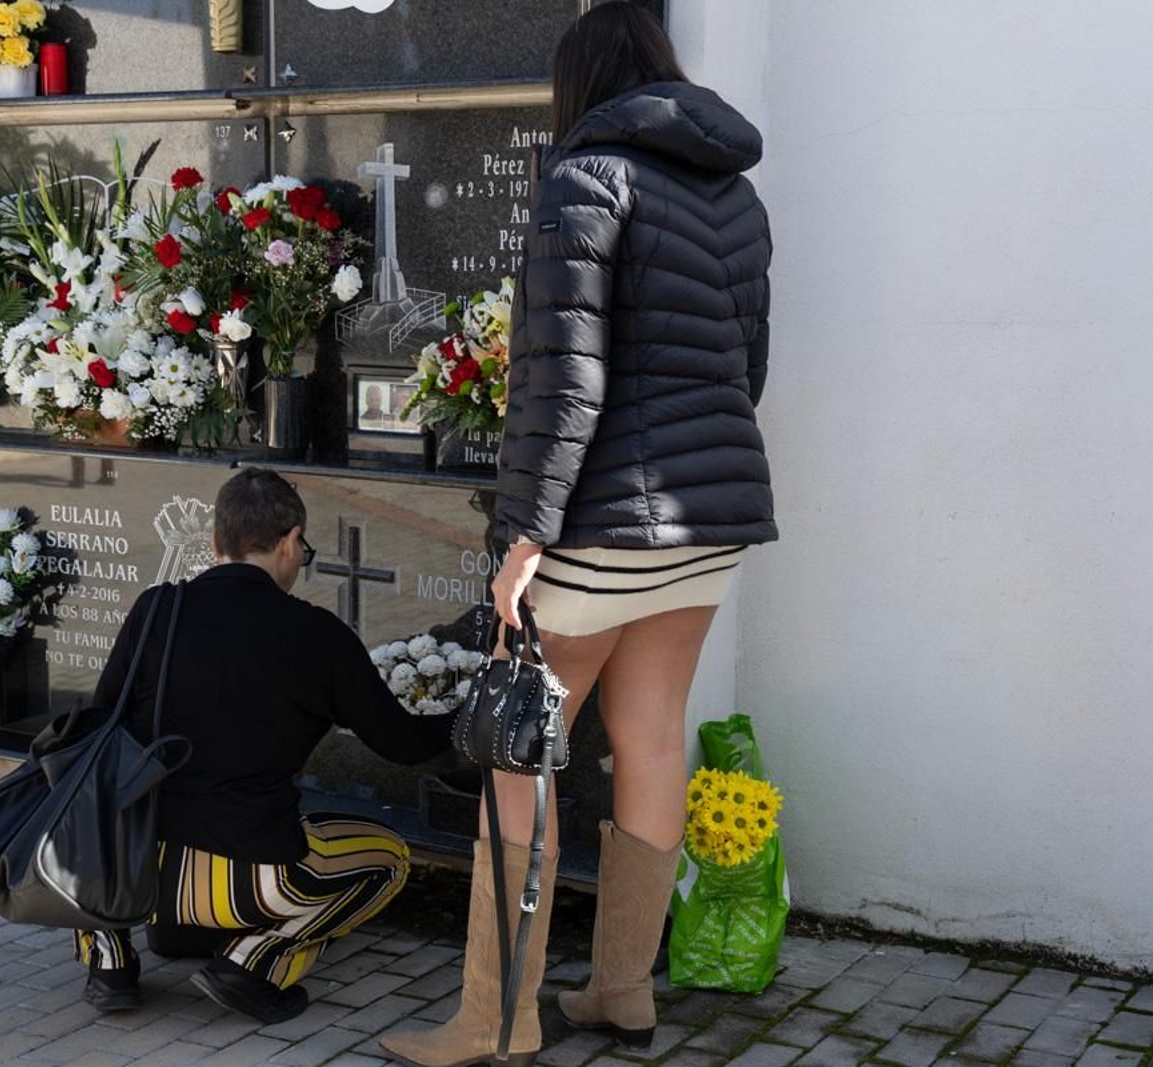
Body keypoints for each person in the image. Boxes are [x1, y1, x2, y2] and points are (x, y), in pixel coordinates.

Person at [381, 4, 775, 1065]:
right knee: (650, 738)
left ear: (578, 83)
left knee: (519, 753)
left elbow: (561, 382)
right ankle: (621, 992)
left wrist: (521, 535)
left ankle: (491, 1018)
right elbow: (748, 365)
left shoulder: (583, 180)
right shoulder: (733, 194)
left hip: (601, 525)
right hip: (710, 515)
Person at [73, 468, 453, 1023]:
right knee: (387, 858)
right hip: (253, 876)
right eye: (302, 548)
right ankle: (251, 963)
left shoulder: (156, 608)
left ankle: (108, 959)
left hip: (130, 868)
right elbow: (402, 744)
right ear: (292, 542)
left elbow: (99, 725)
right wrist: (467, 720)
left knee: (88, 826)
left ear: (214, 544)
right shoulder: (318, 634)